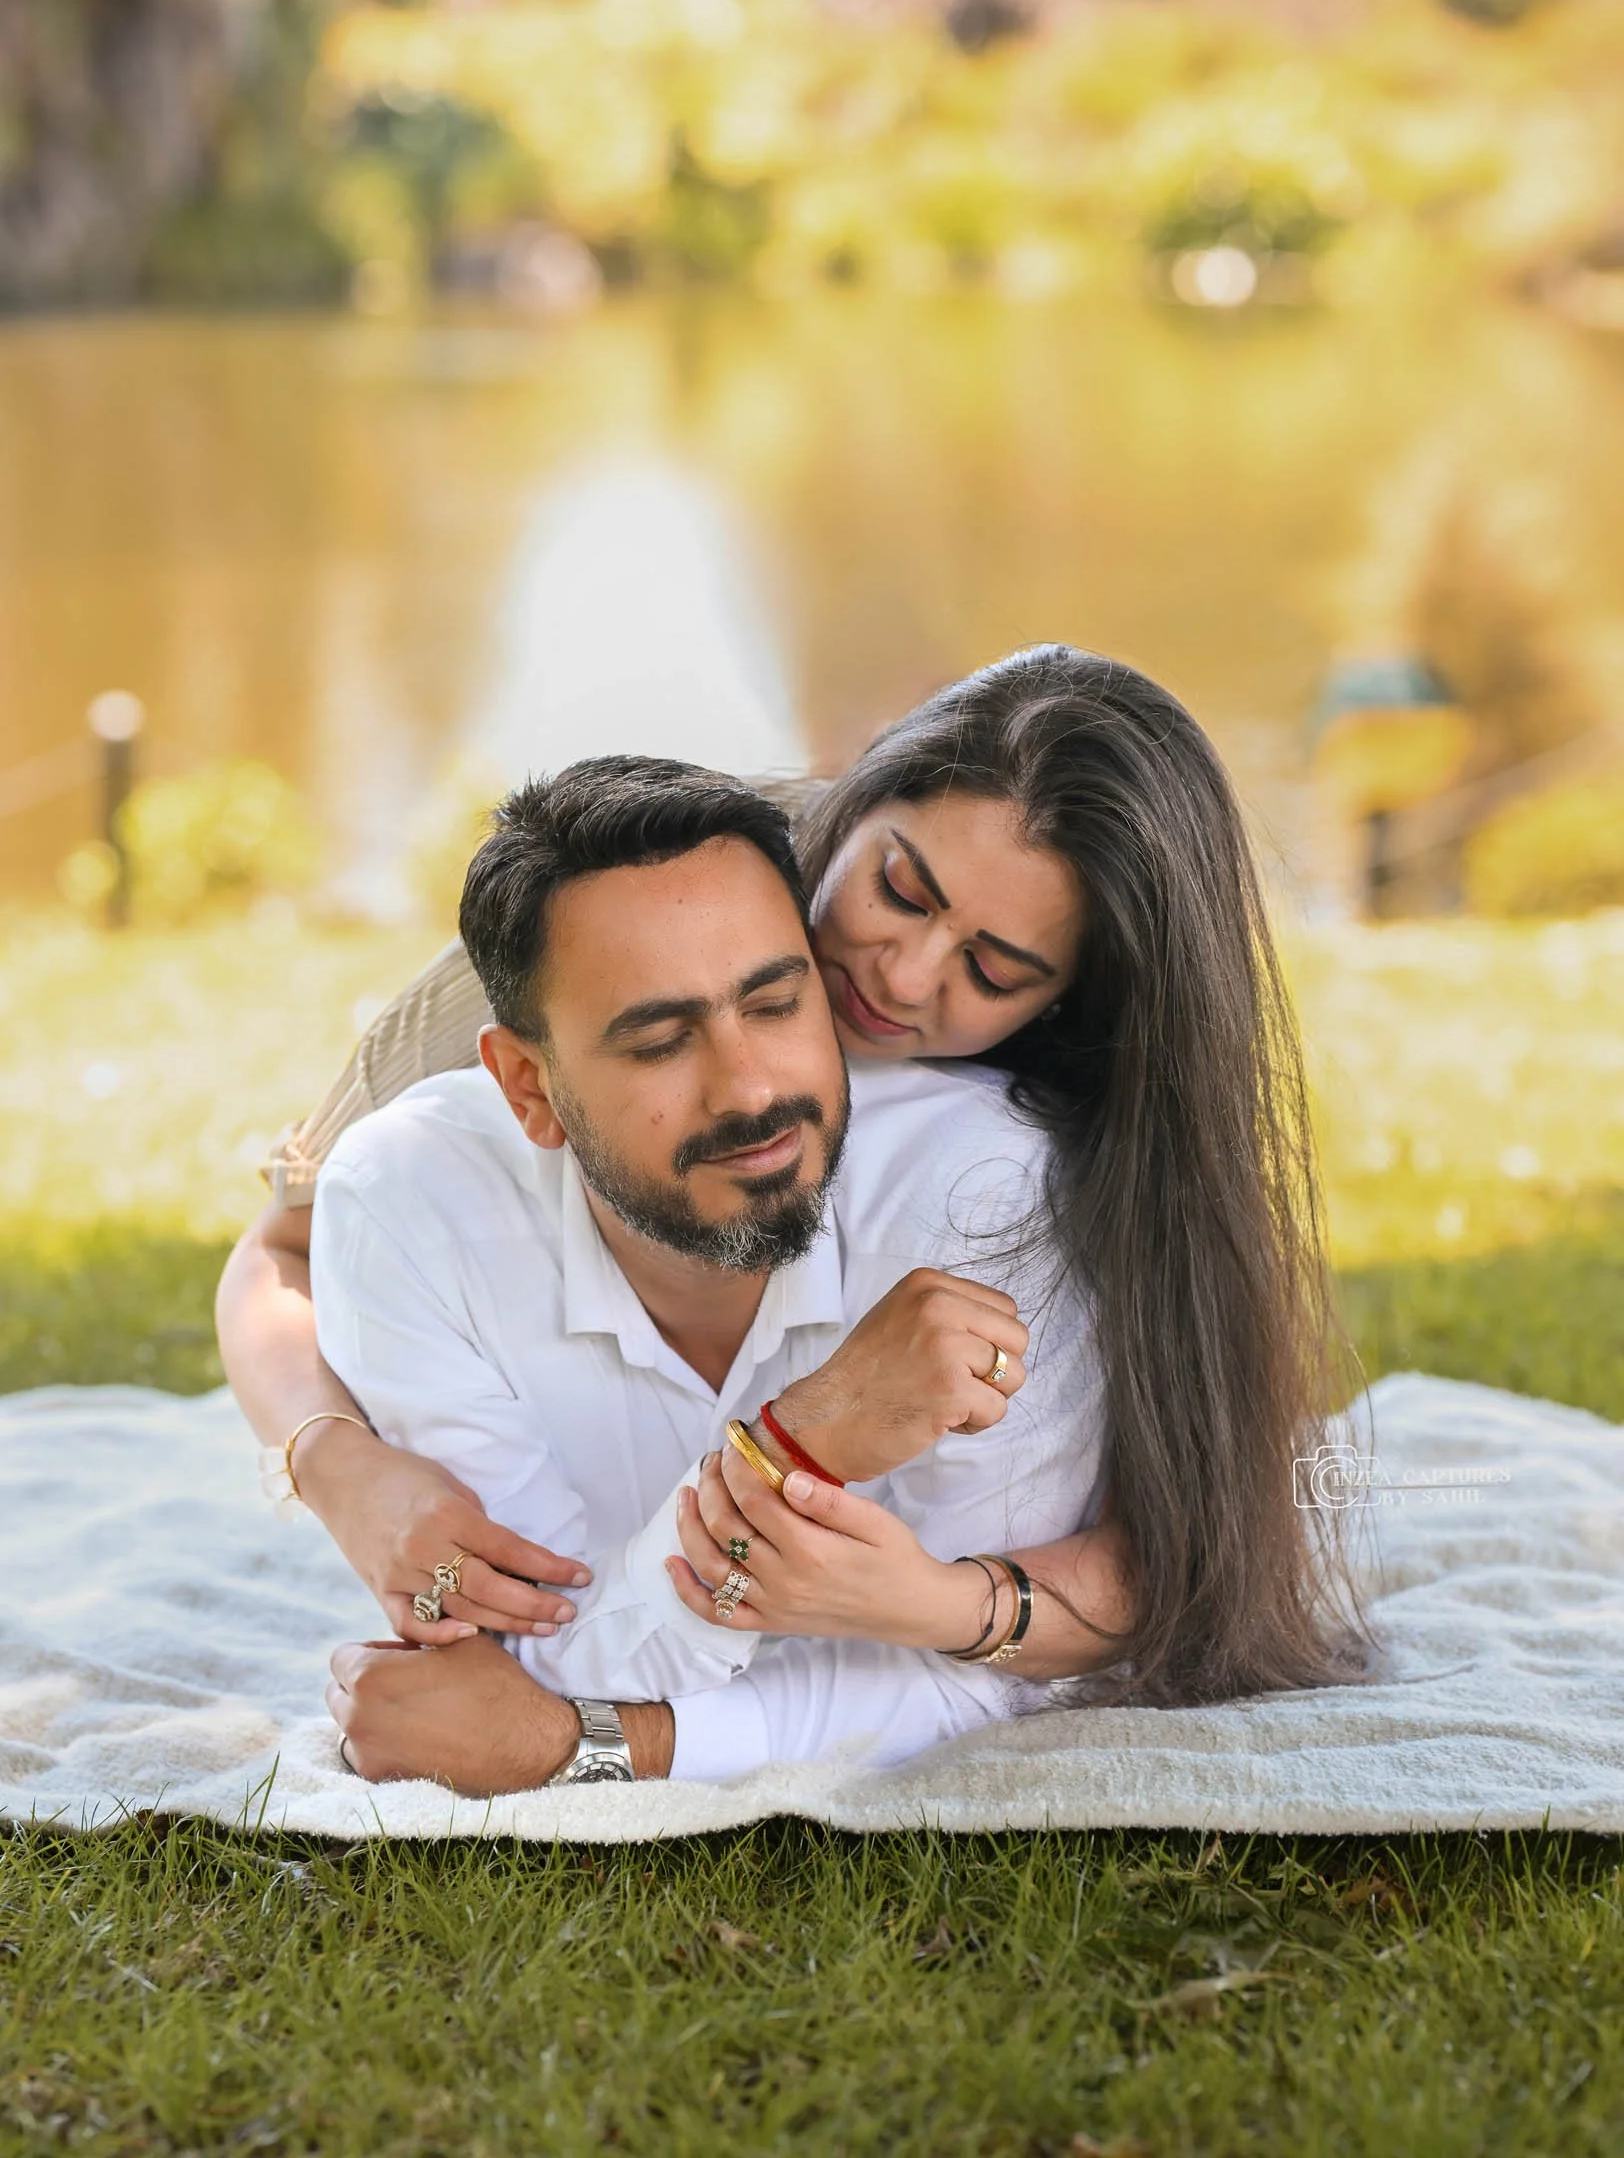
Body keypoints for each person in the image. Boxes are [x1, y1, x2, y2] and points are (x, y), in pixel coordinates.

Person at [218, 644, 1355, 1735]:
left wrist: (936, 1602)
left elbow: (1178, 1553)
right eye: (898, 890)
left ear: (1064, 1004)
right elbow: (281, 1255)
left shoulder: (1024, 1162)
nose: (901, 974)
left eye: (993, 968)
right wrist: (338, 1466)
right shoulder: (594, 931)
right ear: (854, 806)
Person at [315, 755, 1105, 1791]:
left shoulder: (986, 1197)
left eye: (776, 1004)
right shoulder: (405, 1198)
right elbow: (527, 1654)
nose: (751, 1090)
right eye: (659, 1040)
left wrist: (584, 1745)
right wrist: (796, 1445)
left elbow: (972, 1677)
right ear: (527, 1083)